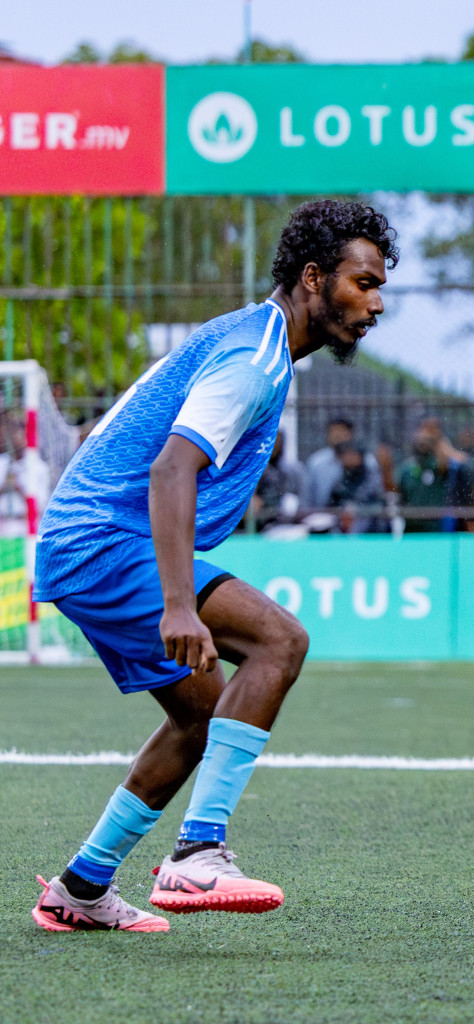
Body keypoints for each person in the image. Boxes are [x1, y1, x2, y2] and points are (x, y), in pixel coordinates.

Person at [30, 200, 396, 932]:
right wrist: (178, 604)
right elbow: (173, 471)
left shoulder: (260, 345)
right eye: (363, 283)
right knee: (279, 641)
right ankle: (200, 852)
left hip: (91, 540)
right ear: (314, 278)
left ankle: (80, 888)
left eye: (382, 286)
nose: (376, 304)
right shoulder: (253, 358)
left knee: (202, 715)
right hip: (102, 540)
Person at [396, 419, 465, 533]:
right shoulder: (407, 469)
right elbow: (399, 497)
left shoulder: (444, 465)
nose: (425, 436)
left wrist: (442, 447)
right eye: (423, 430)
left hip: (437, 532)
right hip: (411, 532)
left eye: (431, 431)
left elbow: (467, 468)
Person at [304, 417, 381, 511]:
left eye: (342, 431)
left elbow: (375, 495)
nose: (337, 436)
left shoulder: (368, 461)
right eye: (333, 431)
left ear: (351, 434)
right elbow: (307, 498)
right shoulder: (316, 462)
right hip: (321, 517)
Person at [247, 432, 307, 533]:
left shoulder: (289, 471)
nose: (276, 443)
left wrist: (264, 502)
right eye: (272, 439)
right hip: (250, 528)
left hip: (277, 523)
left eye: (278, 439)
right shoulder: (253, 468)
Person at [327, 442, 385, 534]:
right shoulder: (339, 483)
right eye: (346, 455)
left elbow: (379, 505)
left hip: (369, 532)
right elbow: (331, 507)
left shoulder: (370, 482)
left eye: (353, 455)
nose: (349, 458)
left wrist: (357, 511)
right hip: (342, 534)